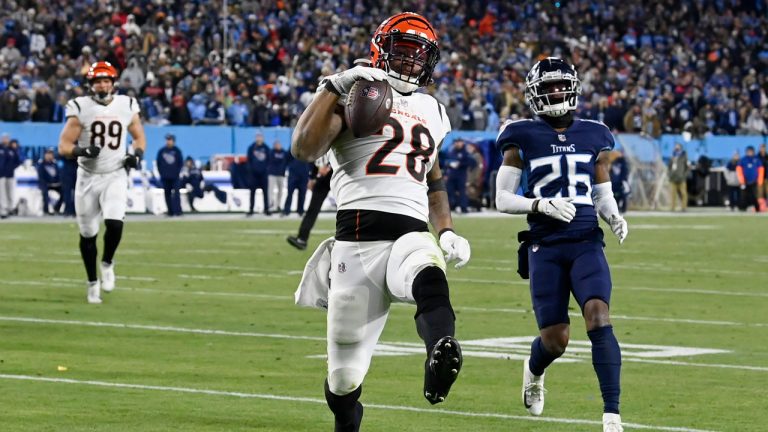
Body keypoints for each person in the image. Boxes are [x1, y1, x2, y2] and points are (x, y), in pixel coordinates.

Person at [291, 12, 471, 431]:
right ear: (381, 50)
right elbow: (303, 148)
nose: (410, 63)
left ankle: (440, 348)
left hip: (409, 229)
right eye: (403, 53)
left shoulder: (432, 108)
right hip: (356, 239)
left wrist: (445, 230)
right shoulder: (355, 90)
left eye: (418, 56)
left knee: (429, 272)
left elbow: (435, 179)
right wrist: (331, 87)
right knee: (343, 379)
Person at [495, 57, 627, 432]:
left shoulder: (594, 133)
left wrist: (613, 215)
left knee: (599, 316)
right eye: (548, 86)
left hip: (587, 240)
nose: (555, 92)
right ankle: (534, 370)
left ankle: (612, 415)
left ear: (573, 88)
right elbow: (502, 198)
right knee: (555, 341)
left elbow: (601, 190)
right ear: (535, 94)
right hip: (546, 245)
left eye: (560, 85)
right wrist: (539, 203)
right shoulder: (521, 134)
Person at [57, 61, 146, 304]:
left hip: (115, 174)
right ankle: (91, 283)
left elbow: (139, 137)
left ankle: (107, 262)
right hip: (87, 177)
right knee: (88, 235)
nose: (103, 85)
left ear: (113, 83)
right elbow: (64, 146)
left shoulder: (126, 104)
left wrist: (136, 155)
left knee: (115, 224)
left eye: (106, 81)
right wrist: (83, 150)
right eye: (98, 81)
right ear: (91, 84)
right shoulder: (80, 107)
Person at [286, 159, 332, 250]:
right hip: (339, 177)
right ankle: (302, 238)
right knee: (312, 210)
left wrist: (316, 178)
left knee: (312, 211)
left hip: (335, 177)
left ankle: (302, 239)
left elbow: (323, 167)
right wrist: (313, 177)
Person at [444, 138, 476, 213]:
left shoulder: (465, 152)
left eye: (459, 142)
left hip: (461, 175)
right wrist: (447, 170)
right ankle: (452, 206)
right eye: (456, 142)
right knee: (449, 191)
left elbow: (472, 163)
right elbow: (446, 162)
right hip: (451, 175)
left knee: (462, 192)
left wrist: (460, 164)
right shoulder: (451, 151)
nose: (457, 144)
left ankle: (463, 207)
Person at [156, 133, 183, 216]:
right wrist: (161, 173)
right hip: (165, 176)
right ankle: (170, 211)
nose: (168, 141)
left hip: (175, 177)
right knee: (167, 194)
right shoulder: (162, 151)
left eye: (170, 140)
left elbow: (180, 163)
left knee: (176, 194)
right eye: (167, 140)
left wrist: (177, 172)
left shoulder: (177, 151)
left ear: (173, 141)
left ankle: (178, 211)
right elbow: (158, 163)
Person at [246, 132, 270, 216]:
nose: (259, 138)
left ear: (263, 138)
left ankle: (266, 209)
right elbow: (248, 160)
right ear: (255, 138)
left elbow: (269, 160)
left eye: (260, 137)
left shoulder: (266, 148)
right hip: (254, 175)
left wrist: (266, 170)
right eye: (257, 137)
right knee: (252, 192)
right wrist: (251, 170)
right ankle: (251, 209)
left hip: (263, 174)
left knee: (265, 192)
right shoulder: (251, 148)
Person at [736, 145, 764, 212]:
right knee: (744, 195)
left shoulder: (757, 160)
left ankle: (757, 208)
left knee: (754, 195)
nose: (750, 153)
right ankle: (743, 207)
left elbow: (761, 170)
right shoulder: (743, 160)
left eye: (751, 151)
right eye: (748, 151)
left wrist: (760, 181)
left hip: (754, 181)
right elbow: (739, 170)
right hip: (745, 181)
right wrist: (741, 180)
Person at [0, 133, 22, 218]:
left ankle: (9, 209)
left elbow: (18, 161)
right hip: (1, 174)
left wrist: (12, 168)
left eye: (7, 138)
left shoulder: (12, 150)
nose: (5, 140)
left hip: (10, 174)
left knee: (10, 192)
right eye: (4, 138)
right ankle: (3, 210)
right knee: (2, 193)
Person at [282, 152, 310, 216]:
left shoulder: (307, 147)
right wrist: (284, 170)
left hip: (304, 175)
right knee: (289, 193)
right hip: (293, 175)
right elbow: (286, 159)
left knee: (302, 194)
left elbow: (311, 160)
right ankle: (286, 210)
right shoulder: (292, 147)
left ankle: (300, 211)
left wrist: (309, 171)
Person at [37, 149, 63, 215]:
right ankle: (46, 210)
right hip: (45, 184)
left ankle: (57, 208)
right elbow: (41, 176)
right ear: (45, 155)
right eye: (48, 154)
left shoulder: (55, 164)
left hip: (55, 184)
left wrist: (58, 182)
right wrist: (46, 183)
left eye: (51, 154)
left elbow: (58, 175)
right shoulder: (41, 164)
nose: (49, 156)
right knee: (45, 193)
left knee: (64, 191)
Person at [268, 140, 289, 213]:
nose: (277, 146)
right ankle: (270, 205)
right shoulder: (271, 152)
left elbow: (286, 162)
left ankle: (278, 205)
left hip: (281, 174)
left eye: (278, 144)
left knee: (280, 191)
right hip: (272, 174)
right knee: (271, 190)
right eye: (276, 144)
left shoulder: (284, 152)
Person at [667, 143, 689, 211]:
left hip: (681, 178)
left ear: (681, 148)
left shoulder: (684, 157)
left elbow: (687, 168)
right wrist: (670, 174)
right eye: (676, 148)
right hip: (673, 178)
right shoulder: (672, 157)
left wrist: (684, 176)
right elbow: (669, 167)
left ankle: (683, 207)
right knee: (672, 194)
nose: (676, 149)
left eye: (678, 148)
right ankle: (672, 207)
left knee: (683, 193)